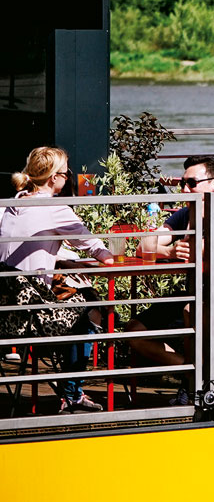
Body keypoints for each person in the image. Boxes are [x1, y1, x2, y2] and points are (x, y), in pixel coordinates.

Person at [133, 156, 214, 402]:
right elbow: (143, 246)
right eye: (182, 183)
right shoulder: (185, 213)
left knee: (193, 309)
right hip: (197, 295)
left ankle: (194, 387)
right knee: (134, 331)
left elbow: (199, 250)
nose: (184, 189)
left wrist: (180, 238)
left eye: (191, 183)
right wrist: (169, 251)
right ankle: (193, 374)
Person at [0, 146, 115, 413]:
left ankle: (69, 389)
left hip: (6, 310)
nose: (68, 178)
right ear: (54, 178)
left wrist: (60, 257)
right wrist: (111, 255)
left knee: (75, 302)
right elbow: (97, 249)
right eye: (66, 174)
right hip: (32, 315)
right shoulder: (54, 208)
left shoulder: (11, 205)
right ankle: (72, 393)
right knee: (91, 311)